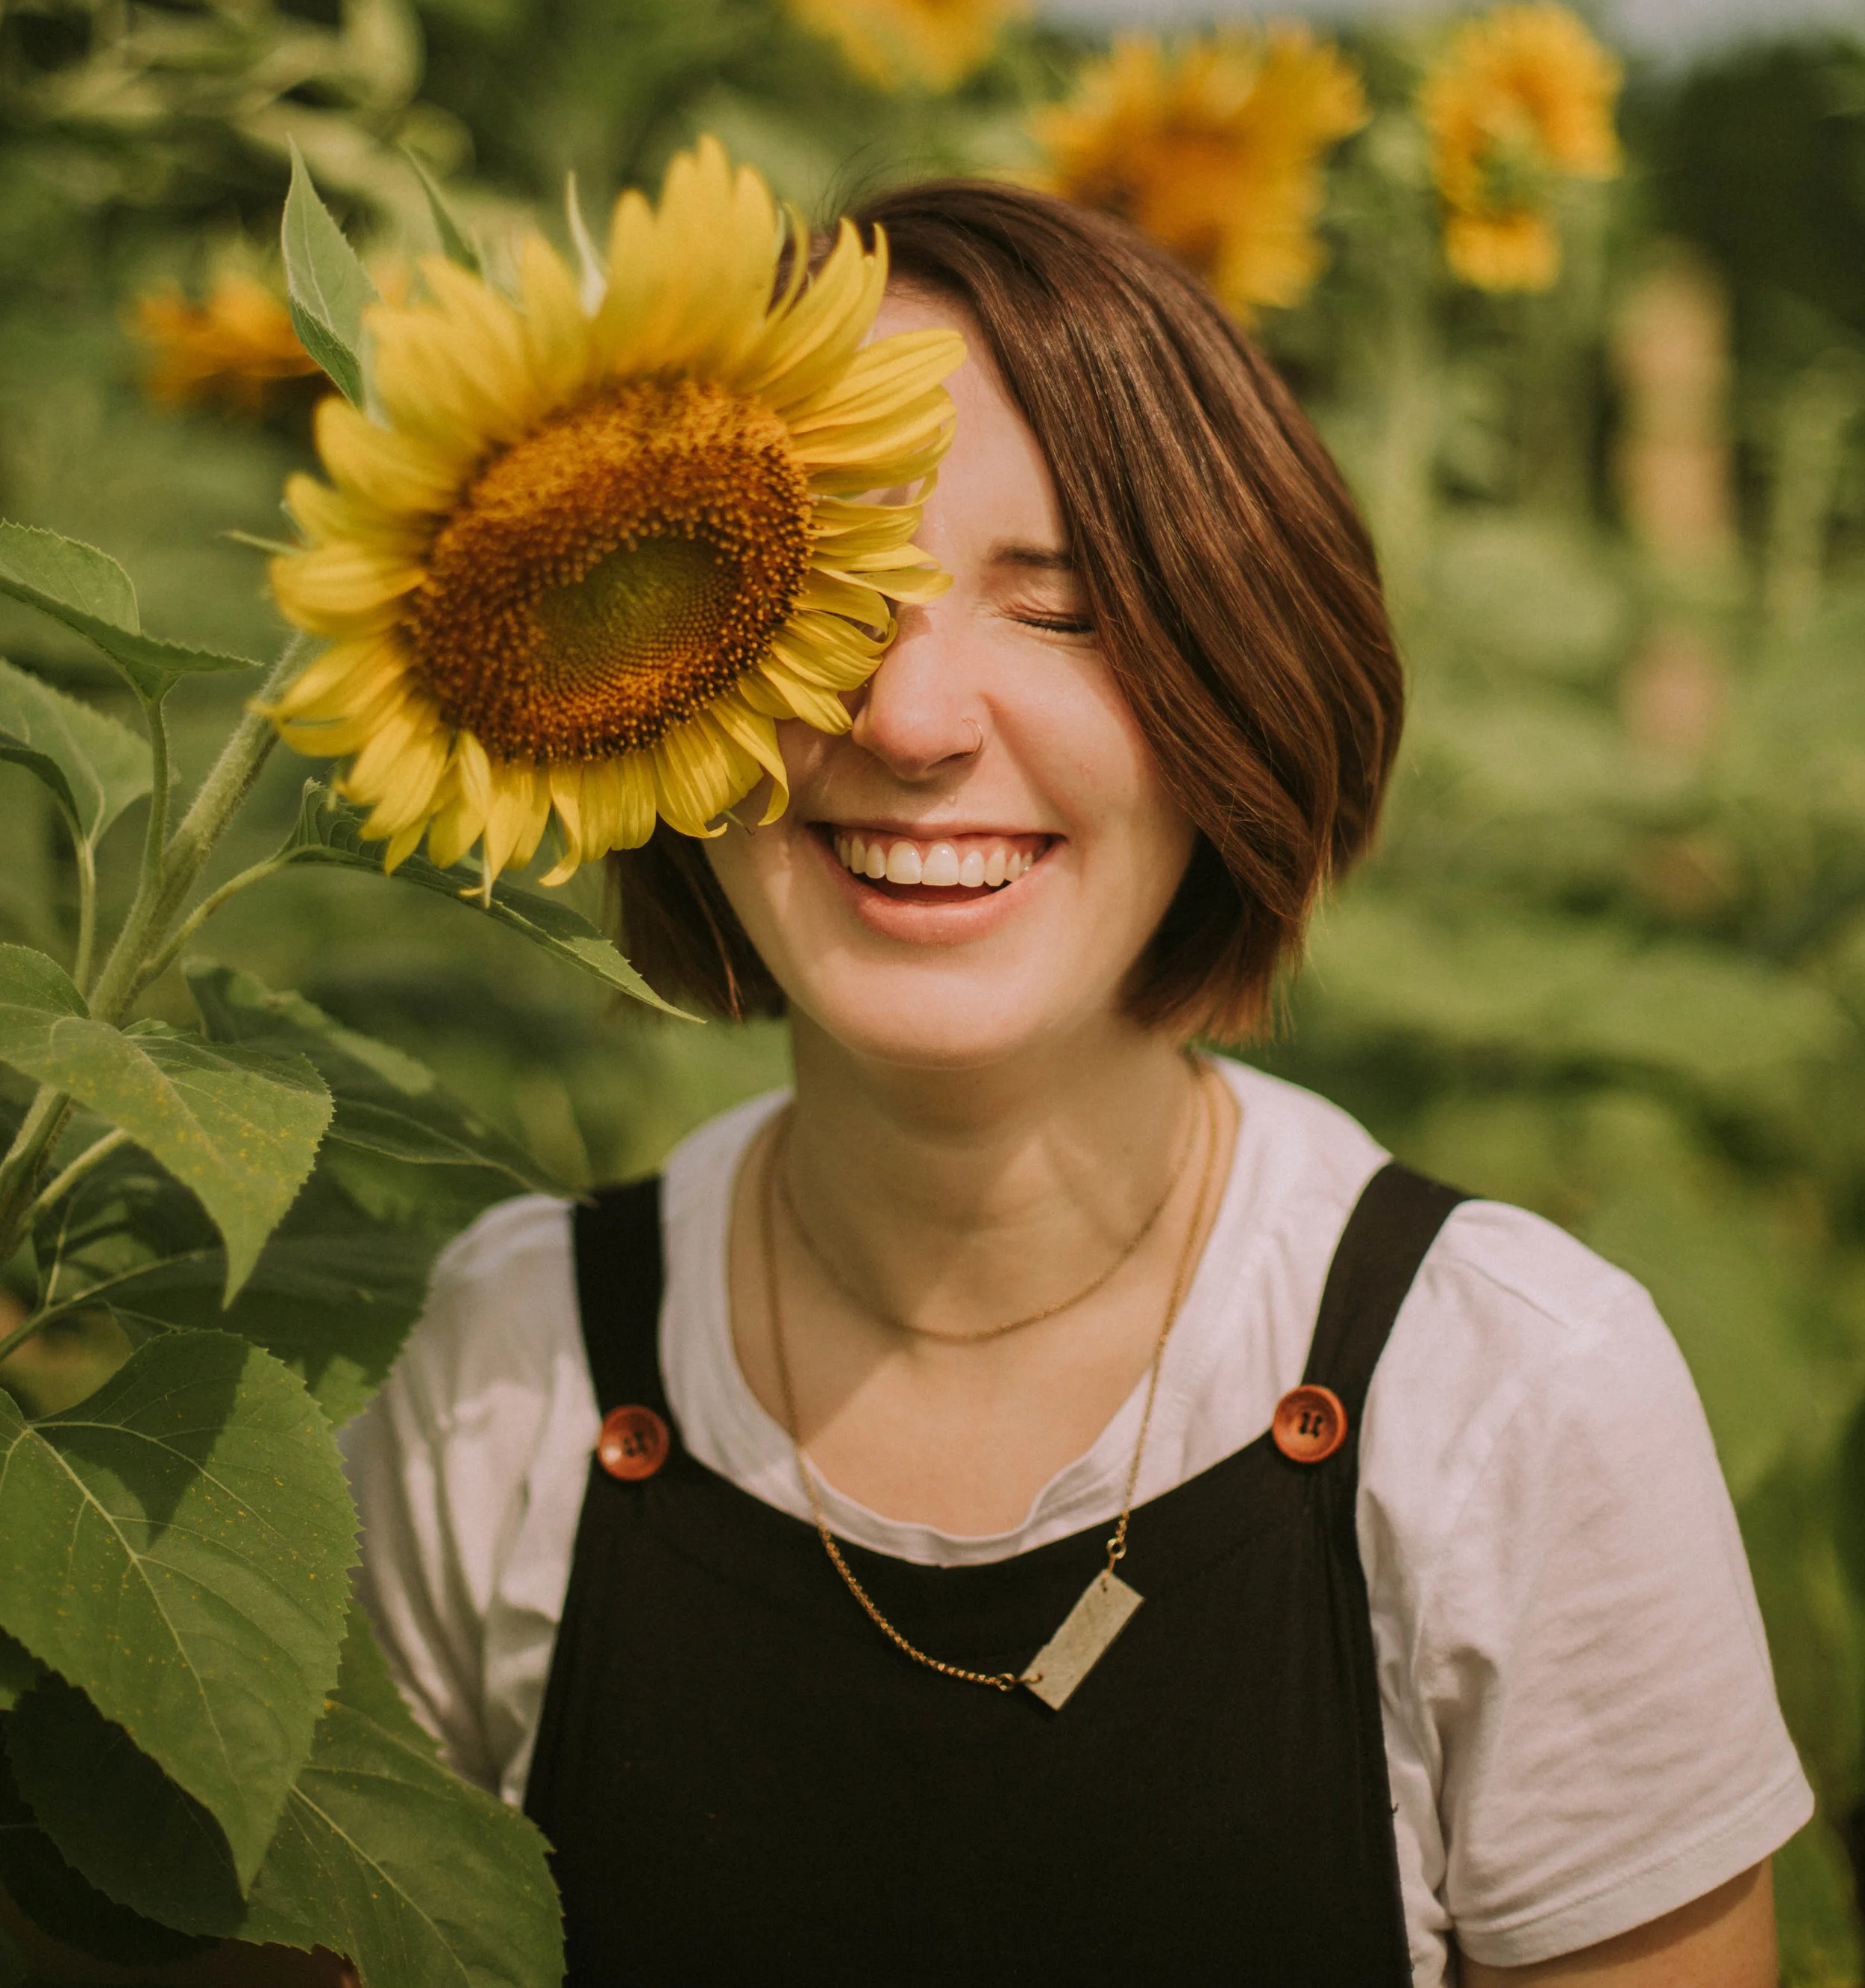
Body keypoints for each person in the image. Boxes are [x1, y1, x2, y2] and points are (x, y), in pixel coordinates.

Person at [348, 178, 1809, 1986]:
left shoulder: (1505, 1396)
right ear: (644, 696)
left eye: (1058, 612)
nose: (908, 719)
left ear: (1239, 688)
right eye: (808, 600)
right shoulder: (499, 1367)